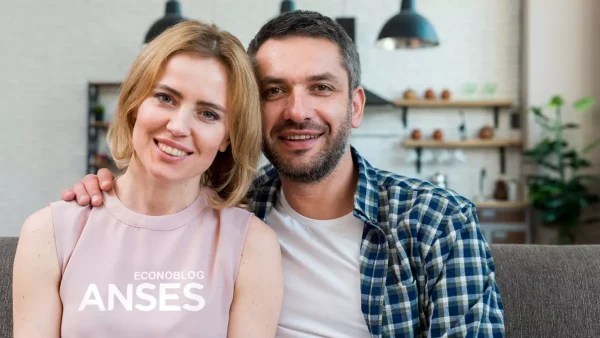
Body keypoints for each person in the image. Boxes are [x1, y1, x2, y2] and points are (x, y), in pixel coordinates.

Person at [59, 10, 504, 337]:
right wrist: (104, 193)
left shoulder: (436, 220)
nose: (297, 111)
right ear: (251, 112)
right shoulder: (230, 210)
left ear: (355, 106)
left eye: (321, 87)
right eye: (275, 91)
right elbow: (144, 213)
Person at [13, 20, 283, 338]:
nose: (179, 126)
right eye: (166, 98)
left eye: (208, 114)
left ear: (227, 137)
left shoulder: (251, 245)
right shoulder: (48, 232)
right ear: (134, 105)